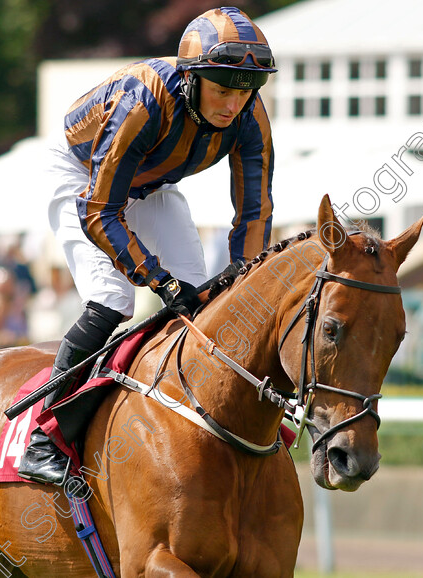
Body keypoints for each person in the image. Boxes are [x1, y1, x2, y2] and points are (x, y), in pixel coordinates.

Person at [18, 6, 277, 484]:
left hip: (151, 185)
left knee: (206, 303)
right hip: (83, 177)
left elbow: (255, 212)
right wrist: (156, 279)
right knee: (113, 299)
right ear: (191, 78)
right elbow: (101, 211)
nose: (232, 106)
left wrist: (246, 277)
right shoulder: (143, 101)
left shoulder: (248, 114)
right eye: (221, 90)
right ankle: (41, 436)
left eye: (244, 93)